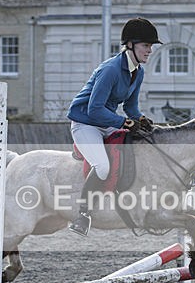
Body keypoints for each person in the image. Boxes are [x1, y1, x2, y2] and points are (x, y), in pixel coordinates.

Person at [66, 17, 161, 236]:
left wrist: (141, 119)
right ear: (130, 45)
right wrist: (124, 122)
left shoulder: (138, 71)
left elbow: (130, 106)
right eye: (146, 46)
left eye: (150, 46)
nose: (150, 51)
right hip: (86, 123)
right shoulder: (110, 69)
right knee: (103, 167)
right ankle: (84, 214)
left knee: (141, 143)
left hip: (106, 121)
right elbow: (94, 110)